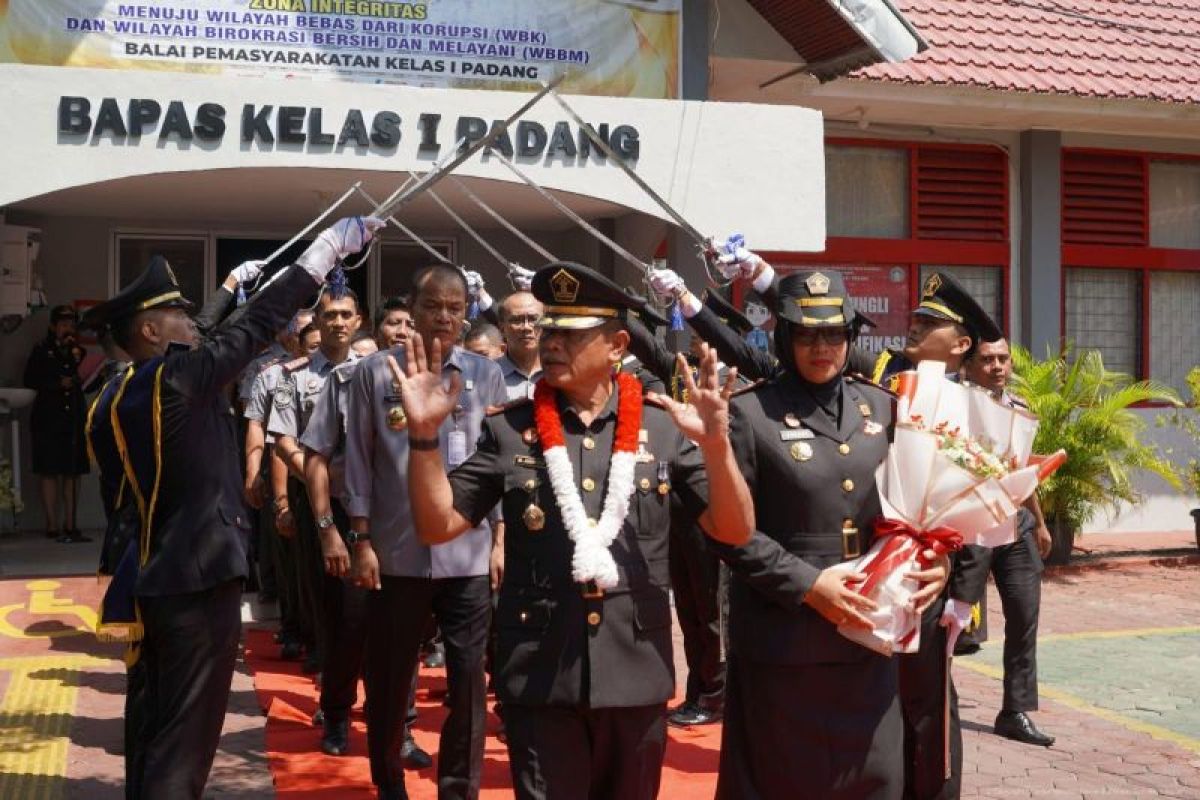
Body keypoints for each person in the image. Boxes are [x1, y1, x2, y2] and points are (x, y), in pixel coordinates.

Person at [397, 262, 754, 800]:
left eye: (570, 333)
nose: (551, 344)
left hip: (634, 673)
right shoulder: (509, 429)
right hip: (542, 677)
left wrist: (717, 447)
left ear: (615, 346)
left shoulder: (663, 426)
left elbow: (734, 528)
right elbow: (437, 524)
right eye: (549, 331)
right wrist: (423, 438)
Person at [79, 215, 382, 799]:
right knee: (186, 737)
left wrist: (226, 296)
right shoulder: (178, 380)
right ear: (149, 330)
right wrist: (319, 257)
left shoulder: (113, 393)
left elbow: (213, 340)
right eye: (176, 315)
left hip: (153, 575)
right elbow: (252, 330)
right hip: (197, 579)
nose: (190, 322)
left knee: (152, 722)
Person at [708, 270, 949, 799]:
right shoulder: (749, 413)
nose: (822, 346)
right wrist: (810, 586)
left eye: (834, 333)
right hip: (785, 648)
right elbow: (730, 535)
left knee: (876, 783)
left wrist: (936, 560)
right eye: (807, 334)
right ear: (784, 337)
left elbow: (913, 512)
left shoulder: (882, 407)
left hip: (868, 645)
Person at [345, 264, 507, 800]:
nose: (444, 317)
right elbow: (359, 461)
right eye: (433, 305)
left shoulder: (486, 375)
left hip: (468, 554)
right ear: (410, 310)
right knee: (391, 680)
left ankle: (458, 789)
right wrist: (361, 539)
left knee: (466, 685)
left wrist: (500, 536)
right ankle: (389, 781)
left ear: (467, 313)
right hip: (398, 553)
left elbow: (498, 464)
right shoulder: (373, 373)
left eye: (455, 307)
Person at [873, 270, 1001, 800]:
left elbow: (983, 512)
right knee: (884, 697)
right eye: (916, 317)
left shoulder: (973, 409)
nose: (914, 326)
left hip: (934, 581)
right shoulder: (886, 389)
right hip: (880, 568)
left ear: (962, 343)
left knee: (929, 703)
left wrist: (963, 599)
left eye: (929, 322)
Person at [962, 338, 1056, 748]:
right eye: (987, 359)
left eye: (1003, 359)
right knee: (955, 625)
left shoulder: (1019, 410)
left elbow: (1022, 472)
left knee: (1023, 614)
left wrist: (1038, 520)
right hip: (971, 527)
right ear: (968, 365)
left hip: (1014, 524)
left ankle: (1014, 711)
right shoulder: (955, 407)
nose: (997, 366)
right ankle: (929, 701)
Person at [271, 288, 363, 677]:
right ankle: (330, 676)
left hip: (367, 503)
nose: (338, 322)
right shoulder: (294, 376)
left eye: (346, 315)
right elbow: (284, 440)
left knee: (370, 597)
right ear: (317, 322)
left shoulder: (375, 371)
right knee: (323, 596)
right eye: (330, 315)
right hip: (316, 499)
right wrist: (316, 476)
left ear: (359, 322)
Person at [23, 304, 90, 543]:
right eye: (63, 325)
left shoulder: (78, 352)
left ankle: (71, 524)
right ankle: (52, 525)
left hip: (72, 418)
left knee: (73, 471)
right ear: (53, 327)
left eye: (71, 325)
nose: (67, 329)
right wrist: (54, 384)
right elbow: (29, 379)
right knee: (49, 471)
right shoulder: (41, 351)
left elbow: (86, 379)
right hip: (47, 418)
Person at [494, 290, 544, 400]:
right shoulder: (487, 376)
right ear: (502, 329)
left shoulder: (561, 372)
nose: (526, 327)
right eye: (517, 320)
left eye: (533, 319)